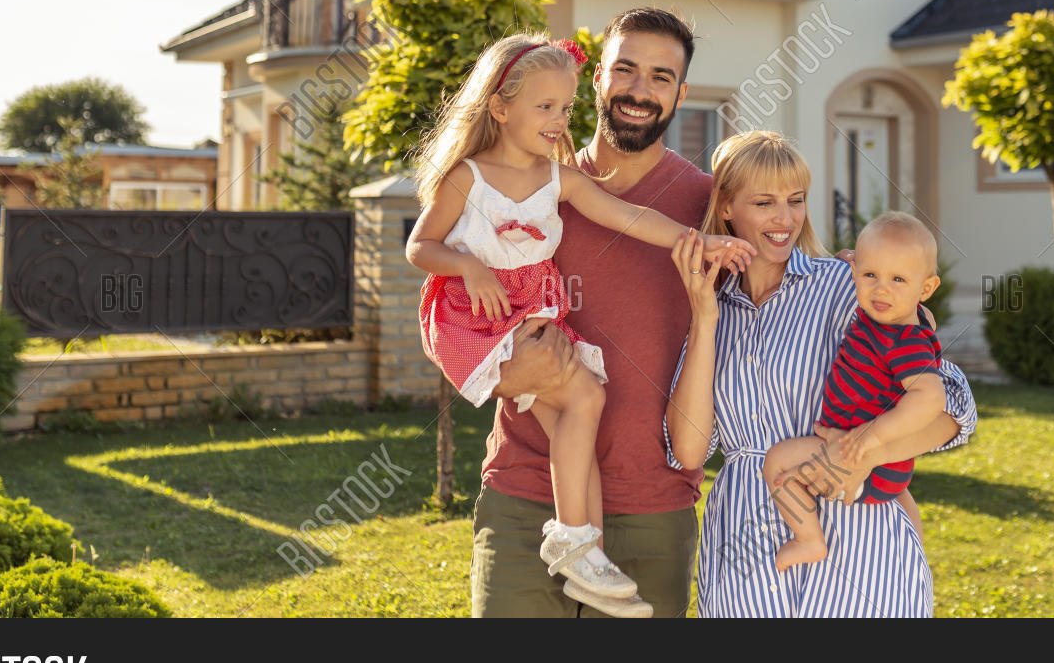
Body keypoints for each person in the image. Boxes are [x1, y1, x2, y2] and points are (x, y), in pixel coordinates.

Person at [406, 32, 752, 611]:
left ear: (682, 92)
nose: (640, 89)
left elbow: (772, 255)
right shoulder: (490, 178)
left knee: (584, 398)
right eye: (625, 69)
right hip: (521, 491)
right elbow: (430, 267)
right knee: (585, 396)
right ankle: (576, 540)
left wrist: (854, 275)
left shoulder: (701, 200)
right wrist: (500, 357)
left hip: (653, 504)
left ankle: (578, 544)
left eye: (661, 76)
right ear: (598, 79)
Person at [665, 131, 978, 617]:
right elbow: (688, 451)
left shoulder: (848, 287)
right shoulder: (710, 311)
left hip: (857, 538)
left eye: (796, 200)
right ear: (726, 207)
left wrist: (867, 452)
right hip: (745, 549)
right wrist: (704, 317)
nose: (785, 219)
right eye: (764, 202)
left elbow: (955, 407)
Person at [762, 211, 946, 570]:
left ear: (925, 289)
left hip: (857, 453)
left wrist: (871, 438)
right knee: (900, 495)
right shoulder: (884, 319)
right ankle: (916, 550)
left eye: (897, 279)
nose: (881, 289)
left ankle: (808, 539)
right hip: (886, 469)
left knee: (778, 463)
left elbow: (931, 397)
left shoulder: (904, 340)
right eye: (870, 275)